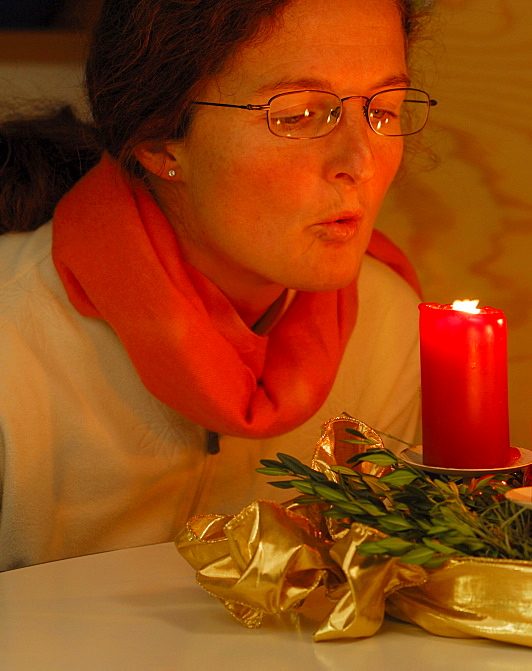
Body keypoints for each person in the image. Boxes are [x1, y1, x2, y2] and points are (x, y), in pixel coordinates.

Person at [0, 0, 435, 571]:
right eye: (299, 114)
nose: (361, 161)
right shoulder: (14, 333)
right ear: (158, 143)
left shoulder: (386, 324)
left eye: (383, 109)